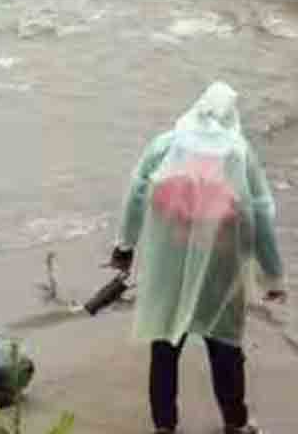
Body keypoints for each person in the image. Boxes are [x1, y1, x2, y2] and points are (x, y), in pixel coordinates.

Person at [109, 82, 286, 434]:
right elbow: (261, 213)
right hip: (219, 269)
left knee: (164, 346)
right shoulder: (238, 154)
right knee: (224, 347)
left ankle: (164, 426)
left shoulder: (166, 145)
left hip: (168, 266)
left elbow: (138, 189)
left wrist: (124, 247)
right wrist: (273, 276)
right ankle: (235, 422)